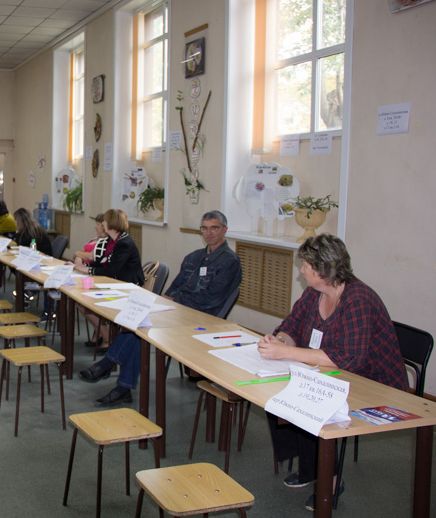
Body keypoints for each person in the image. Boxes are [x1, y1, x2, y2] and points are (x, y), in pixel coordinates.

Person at [256, 233, 406, 511]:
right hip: (335, 372)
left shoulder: (358, 299)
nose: (301, 270)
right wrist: (281, 341)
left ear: (323, 270)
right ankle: (310, 469)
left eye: (305, 266)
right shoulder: (314, 293)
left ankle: (331, 483)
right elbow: (292, 324)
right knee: (282, 395)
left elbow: (348, 358)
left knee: (314, 404)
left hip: (375, 382)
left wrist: (286, 352)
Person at [78, 210, 242, 407]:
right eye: (205, 229)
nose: (209, 233)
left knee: (144, 330)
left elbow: (210, 300)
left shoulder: (229, 262)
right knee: (138, 323)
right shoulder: (193, 257)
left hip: (202, 319)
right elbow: (175, 286)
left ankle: (110, 369)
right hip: (178, 311)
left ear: (224, 230)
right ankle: (120, 385)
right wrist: (168, 300)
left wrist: (174, 300)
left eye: (214, 228)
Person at [71, 209, 145, 352]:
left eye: (104, 220)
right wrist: (80, 266)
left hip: (127, 289)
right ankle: (105, 335)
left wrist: (87, 270)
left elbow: (112, 270)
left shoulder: (124, 243)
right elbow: (101, 263)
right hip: (114, 284)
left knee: (85, 302)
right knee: (81, 302)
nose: (102, 223)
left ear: (111, 223)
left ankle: (109, 338)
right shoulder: (111, 241)